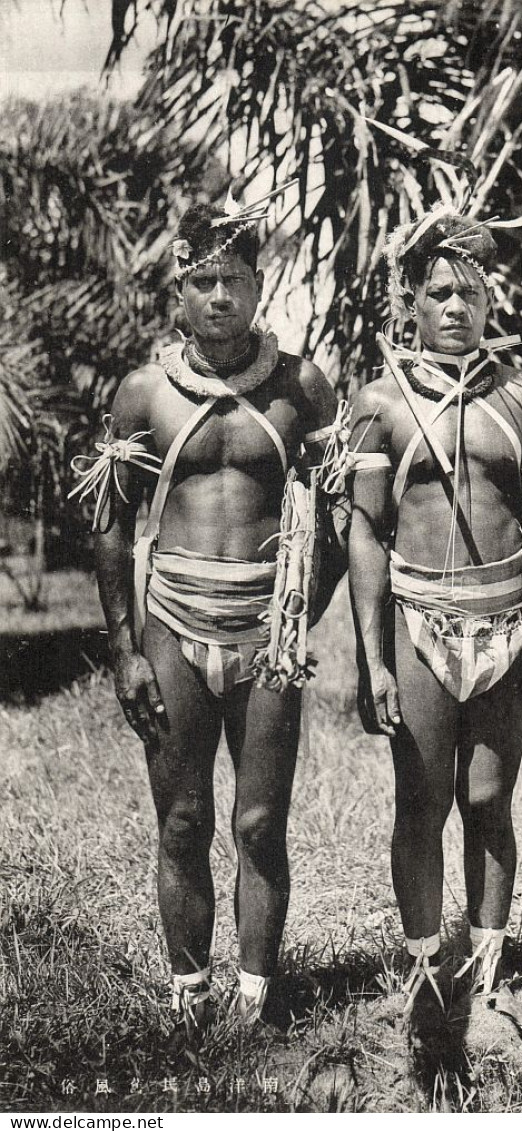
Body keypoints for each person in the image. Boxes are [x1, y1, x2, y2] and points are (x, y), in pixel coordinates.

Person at [73, 188, 345, 1057]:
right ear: (177, 294)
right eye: (201, 281)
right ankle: (189, 996)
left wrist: (301, 610)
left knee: (261, 823)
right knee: (183, 820)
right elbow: (109, 522)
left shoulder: (301, 386)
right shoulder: (144, 394)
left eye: (233, 279)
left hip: (267, 631)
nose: (218, 296)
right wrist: (125, 649)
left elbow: (344, 515)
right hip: (173, 628)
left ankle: (255, 1000)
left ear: (259, 286)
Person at [347, 210, 522, 1043]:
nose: (455, 305)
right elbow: (366, 534)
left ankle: (485, 975)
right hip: (419, 619)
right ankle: (424, 974)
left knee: (488, 800)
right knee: (419, 801)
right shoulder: (378, 402)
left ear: (491, 303)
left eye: (471, 293)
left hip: (504, 624)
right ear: (410, 303)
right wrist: (373, 661)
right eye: (438, 292)